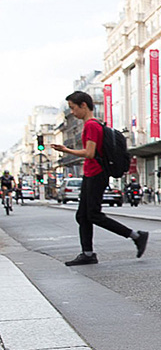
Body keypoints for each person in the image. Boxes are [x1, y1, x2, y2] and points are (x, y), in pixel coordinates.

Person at [52, 92, 148, 266]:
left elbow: (89, 153)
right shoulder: (93, 125)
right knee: (82, 216)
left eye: (73, 108)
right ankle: (87, 253)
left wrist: (66, 150)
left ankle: (136, 236)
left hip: (96, 174)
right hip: (91, 174)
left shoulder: (91, 126)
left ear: (83, 105)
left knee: (93, 215)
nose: (72, 112)